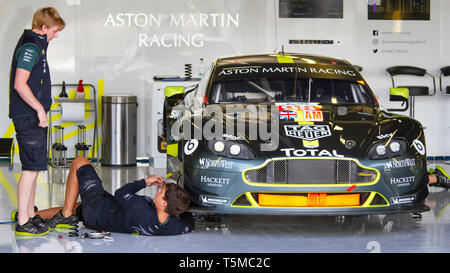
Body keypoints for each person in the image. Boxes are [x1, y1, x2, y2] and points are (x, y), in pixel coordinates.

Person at [32, 157, 195, 236]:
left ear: (165, 204)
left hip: (99, 206)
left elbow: (121, 193)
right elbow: (190, 223)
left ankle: (65, 217)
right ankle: (31, 216)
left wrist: (146, 182)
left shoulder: (140, 209)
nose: (157, 190)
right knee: (75, 206)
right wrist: (185, 204)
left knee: (79, 163)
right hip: (100, 219)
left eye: (161, 192)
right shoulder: (171, 227)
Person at [10, 7, 65, 236]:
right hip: (29, 116)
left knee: (34, 168)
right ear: (43, 28)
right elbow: (19, 84)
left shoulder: (37, 45)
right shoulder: (30, 48)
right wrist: (40, 110)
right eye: (54, 30)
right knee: (30, 170)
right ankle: (23, 222)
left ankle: (30, 215)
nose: (56, 35)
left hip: (33, 117)